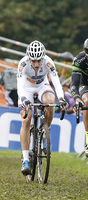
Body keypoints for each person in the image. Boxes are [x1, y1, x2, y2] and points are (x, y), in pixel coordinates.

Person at [17, 40, 66, 176]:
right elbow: (20, 86)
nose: (37, 64)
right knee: (26, 120)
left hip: (42, 85)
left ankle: (46, 130)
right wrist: (23, 99)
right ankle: (26, 159)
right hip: (26, 89)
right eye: (33, 61)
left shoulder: (49, 62)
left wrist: (61, 98)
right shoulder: (23, 63)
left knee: (50, 101)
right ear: (29, 58)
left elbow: (56, 83)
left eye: (39, 60)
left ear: (43, 58)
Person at [71, 38, 88, 157]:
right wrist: (77, 99)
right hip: (85, 84)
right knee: (87, 101)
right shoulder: (79, 60)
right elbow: (74, 85)